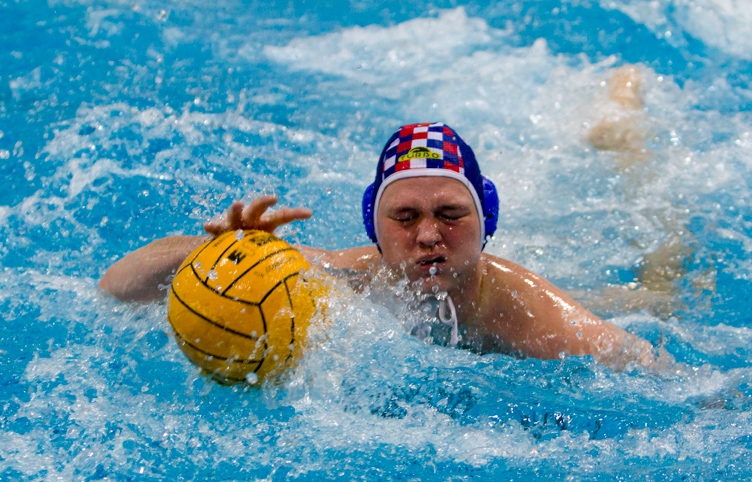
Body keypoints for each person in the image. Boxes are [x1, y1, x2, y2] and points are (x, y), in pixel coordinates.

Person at [100, 122, 658, 370]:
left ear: (486, 218)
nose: (428, 236)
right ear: (375, 225)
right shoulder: (350, 274)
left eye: (450, 214)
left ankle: (620, 132)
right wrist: (215, 254)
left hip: (566, 289)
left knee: (657, 293)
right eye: (406, 217)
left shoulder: (532, 316)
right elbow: (115, 287)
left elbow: (659, 374)